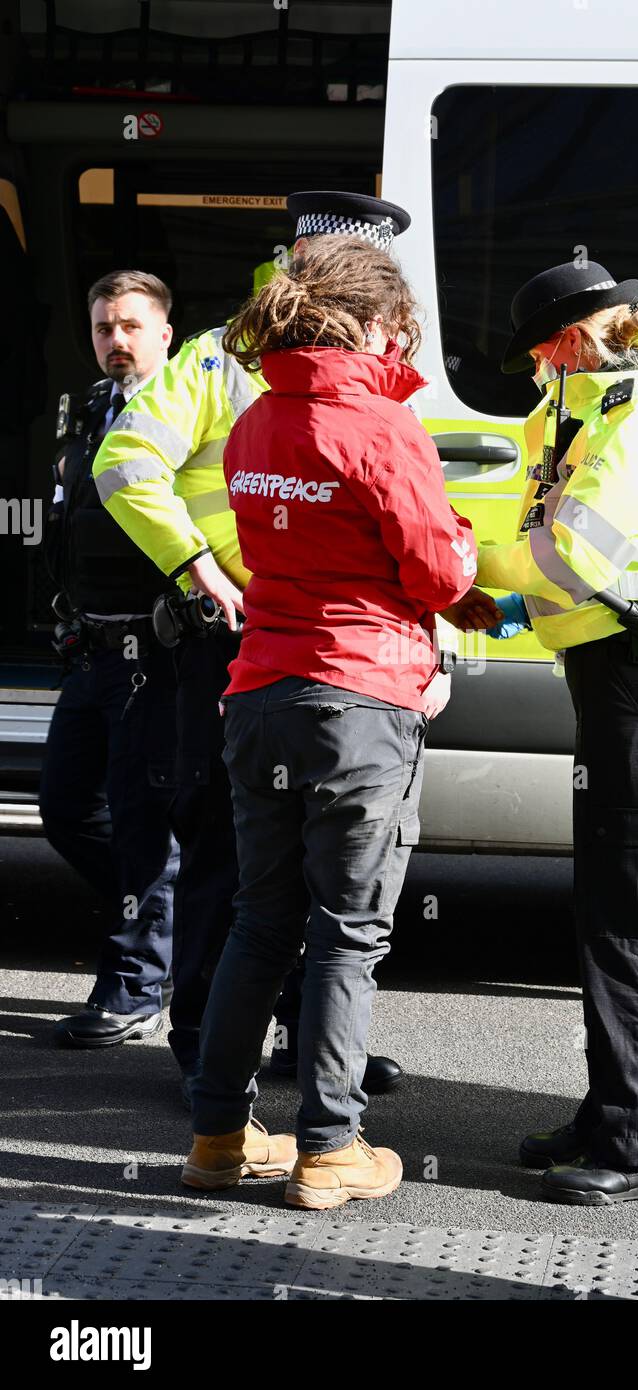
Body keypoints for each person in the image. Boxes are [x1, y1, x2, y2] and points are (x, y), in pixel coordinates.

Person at [91, 192, 411, 1103]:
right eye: (366, 276)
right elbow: (124, 463)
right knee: (230, 853)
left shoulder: (360, 354)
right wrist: (198, 567)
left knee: (318, 863)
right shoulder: (225, 354)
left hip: (323, 640)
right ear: (318, 262)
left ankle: (310, 1047)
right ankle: (202, 1046)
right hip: (235, 634)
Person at [180, 236, 477, 1204]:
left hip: (261, 689)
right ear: (378, 320)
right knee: (347, 935)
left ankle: (219, 1134)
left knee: (260, 919)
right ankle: (331, 1148)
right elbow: (438, 572)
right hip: (359, 696)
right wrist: (464, 557)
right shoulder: (382, 426)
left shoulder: (260, 416)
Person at [454, 259, 638, 1204]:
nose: (530, 374)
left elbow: (572, 550)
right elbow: (582, 564)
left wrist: (460, 562)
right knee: (608, 907)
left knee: (629, 920)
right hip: (620, 674)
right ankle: (615, 1110)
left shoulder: (632, 419)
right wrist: (520, 611)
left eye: (535, 356)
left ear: (565, 345)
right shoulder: (594, 412)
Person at [40, 270, 179, 1047]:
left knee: (141, 823)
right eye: (103, 328)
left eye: (130, 326)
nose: (116, 341)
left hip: (151, 649)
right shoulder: (91, 411)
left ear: (164, 332)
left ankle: (135, 986)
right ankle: (169, 920)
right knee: (65, 810)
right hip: (92, 648)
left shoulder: (185, 410)